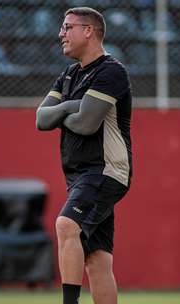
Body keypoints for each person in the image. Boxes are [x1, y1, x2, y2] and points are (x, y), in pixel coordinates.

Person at [36, 7, 132, 304]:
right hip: (80, 176)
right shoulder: (68, 74)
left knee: (66, 226)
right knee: (97, 261)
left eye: (67, 27)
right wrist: (69, 107)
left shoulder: (110, 71)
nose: (60, 34)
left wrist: (63, 110)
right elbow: (41, 119)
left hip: (105, 171)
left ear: (88, 30)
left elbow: (87, 124)